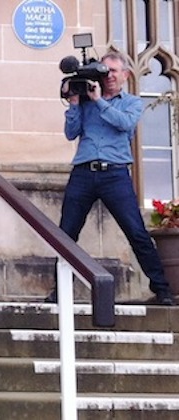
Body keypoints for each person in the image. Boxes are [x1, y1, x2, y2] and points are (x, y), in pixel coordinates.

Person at [45, 50, 175, 306]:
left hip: (115, 174)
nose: (109, 77)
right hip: (83, 172)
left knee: (136, 232)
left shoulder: (132, 102)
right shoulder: (84, 100)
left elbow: (124, 123)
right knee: (66, 233)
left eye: (114, 71)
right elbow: (71, 133)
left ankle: (162, 289)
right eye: (106, 71)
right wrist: (73, 104)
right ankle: (60, 292)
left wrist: (99, 102)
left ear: (125, 75)